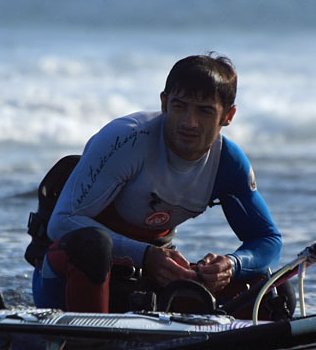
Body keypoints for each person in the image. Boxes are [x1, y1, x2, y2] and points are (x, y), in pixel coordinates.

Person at [28, 54, 285, 316]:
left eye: (205, 110)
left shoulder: (229, 164)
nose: (189, 122)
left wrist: (232, 264)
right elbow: (61, 222)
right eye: (179, 106)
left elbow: (267, 240)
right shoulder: (126, 139)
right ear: (164, 103)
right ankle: (86, 343)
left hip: (143, 279)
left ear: (228, 116)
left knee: (272, 291)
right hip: (67, 279)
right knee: (94, 245)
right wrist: (146, 255)